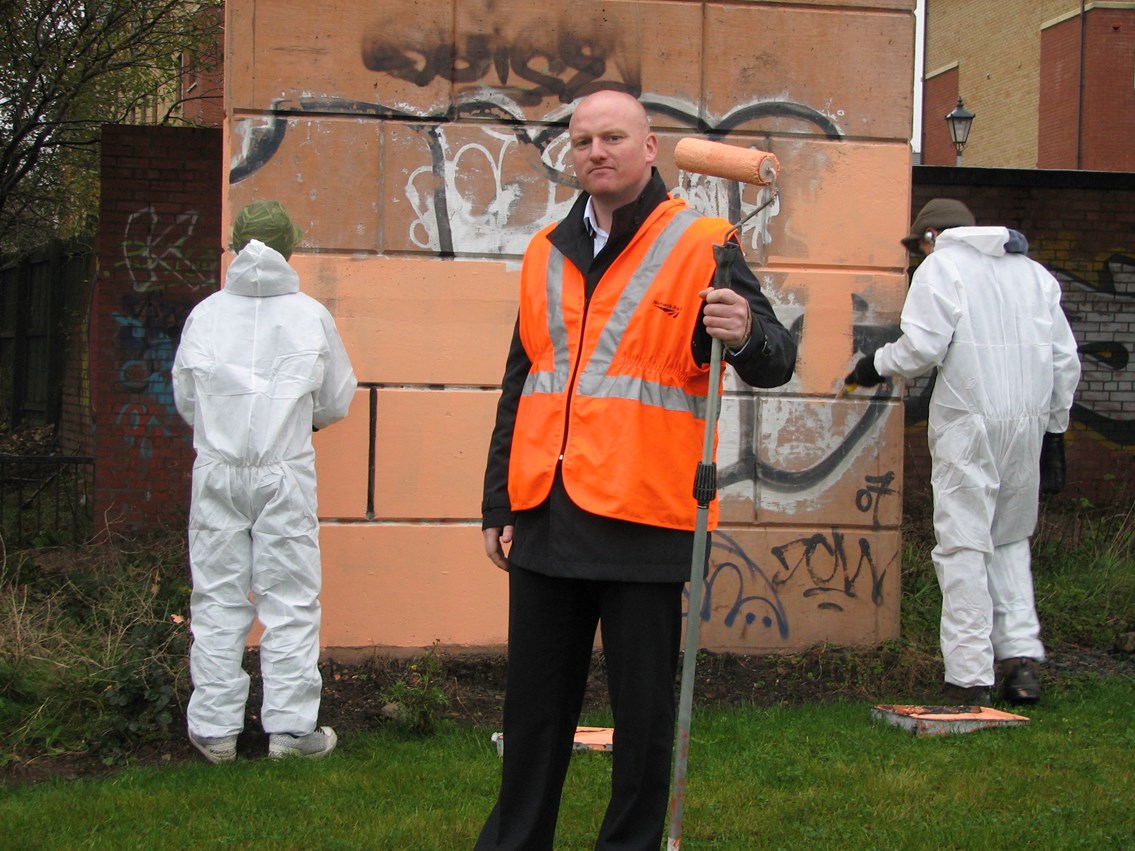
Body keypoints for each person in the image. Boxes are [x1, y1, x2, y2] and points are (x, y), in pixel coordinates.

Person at [476, 90, 796, 850]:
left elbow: (776, 358)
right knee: (531, 716)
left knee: (643, 721)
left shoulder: (703, 244)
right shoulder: (544, 251)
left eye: (613, 137)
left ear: (649, 147)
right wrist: (497, 502)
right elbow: (522, 381)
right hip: (547, 513)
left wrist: (745, 329)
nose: (596, 151)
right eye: (583, 140)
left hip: (646, 517)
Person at [845, 198, 1080, 707]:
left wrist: (874, 364)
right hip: (1028, 425)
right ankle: (1021, 663)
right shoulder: (1034, 275)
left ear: (932, 236)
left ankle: (970, 675)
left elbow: (924, 347)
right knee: (1011, 539)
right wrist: (1054, 430)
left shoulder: (942, 267)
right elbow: (1065, 359)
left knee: (963, 546)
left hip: (970, 423)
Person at [172, 200, 357, 763]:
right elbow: (335, 399)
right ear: (290, 247)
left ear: (235, 242)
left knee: (217, 598)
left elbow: (186, 399)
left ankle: (215, 731)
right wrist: (302, 421)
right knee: (292, 600)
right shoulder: (309, 315)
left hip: (217, 470)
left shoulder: (206, 314)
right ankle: (292, 732)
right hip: (284, 470)